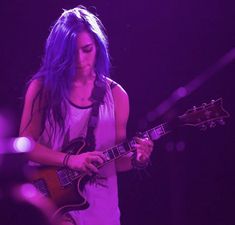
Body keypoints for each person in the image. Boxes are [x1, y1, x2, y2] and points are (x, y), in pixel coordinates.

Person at [20, 5, 153, 225]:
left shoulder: (117, 96)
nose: (81, 60)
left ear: (98, 47)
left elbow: (116, 161)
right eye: (71, 54)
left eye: (87, 49)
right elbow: (26, 147)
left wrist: (139, 160)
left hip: (102, 214)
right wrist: (71, 160)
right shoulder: (42, 88)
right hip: (54, 210)